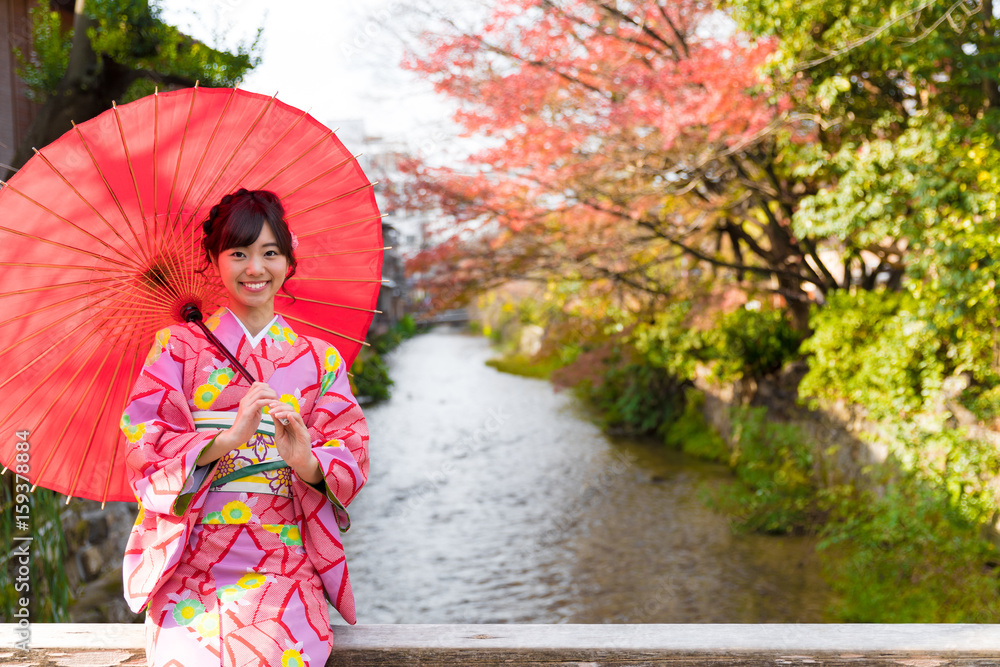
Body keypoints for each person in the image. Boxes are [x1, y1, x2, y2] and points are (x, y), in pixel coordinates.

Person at [120, 188, 369, 666]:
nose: (255, 268)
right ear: (214, 260)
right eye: (239, 253)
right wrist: (226, 440)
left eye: (270, 253)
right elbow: (142, 440)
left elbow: (352, 447)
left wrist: (307, 461)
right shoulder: (175, 348)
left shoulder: (320, 359)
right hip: (194, 559)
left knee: (273, 646)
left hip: (283, 556)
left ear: (288, 262)